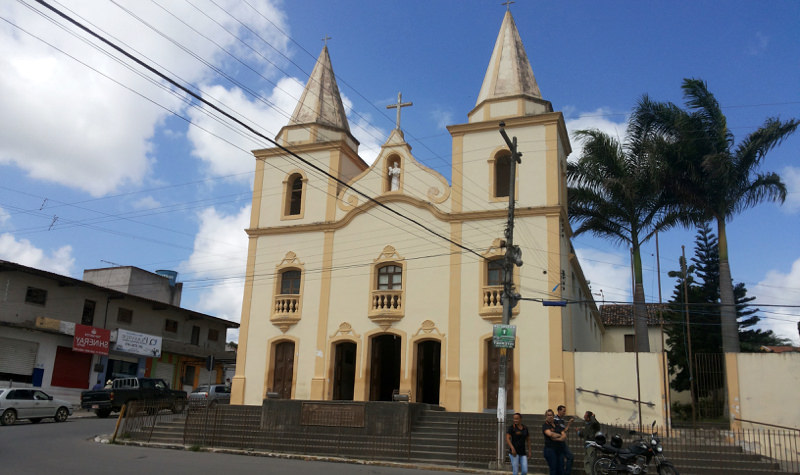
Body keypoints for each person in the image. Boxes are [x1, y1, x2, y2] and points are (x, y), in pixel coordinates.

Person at [543, 408, 567, 475]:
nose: (550, 416)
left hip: (559, 449)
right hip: (550, 450)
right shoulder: (545, 425)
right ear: (546, 416)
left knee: (561, 469)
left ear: (553, 416)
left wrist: (557, 438)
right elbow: (550, 434)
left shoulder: (557, 424)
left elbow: (564, 435)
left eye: (551, 415)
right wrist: (560, 436)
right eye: (548, 415)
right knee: (554, 468)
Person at [555, 405, 575, 474]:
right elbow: (559, 431)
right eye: (563, 411)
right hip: (558, 443)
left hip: (562, 443)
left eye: (565, 411)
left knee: (570, 457)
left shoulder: (562, 420)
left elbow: (564, 430)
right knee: (561, 462)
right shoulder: (555, 420)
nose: (564, 413)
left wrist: (569, 423)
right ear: (559, 411)